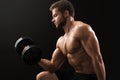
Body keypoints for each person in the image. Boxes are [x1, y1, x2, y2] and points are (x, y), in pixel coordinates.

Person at [36, 0, 106, 80]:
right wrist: (36, 58)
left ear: (66, 13)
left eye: (55, 15)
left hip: (89, 76)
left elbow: (97, 58)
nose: (53, 20)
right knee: (42, 77)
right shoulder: (61, 41)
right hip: (76, 75)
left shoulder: (82, 29)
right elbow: (53, 66)